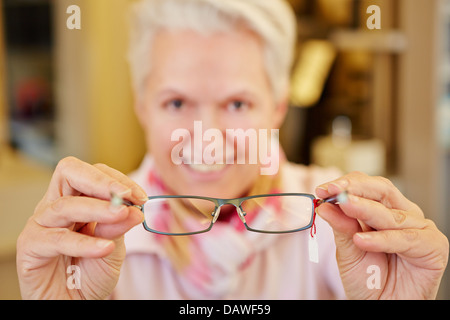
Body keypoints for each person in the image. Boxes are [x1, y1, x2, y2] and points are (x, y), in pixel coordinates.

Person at [16, 0, 448, 300]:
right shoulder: (87, 241)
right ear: (141, 104)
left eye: (237, 104)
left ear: (278, 106)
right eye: (177, 103)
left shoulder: (340, 224)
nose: (207, 137)